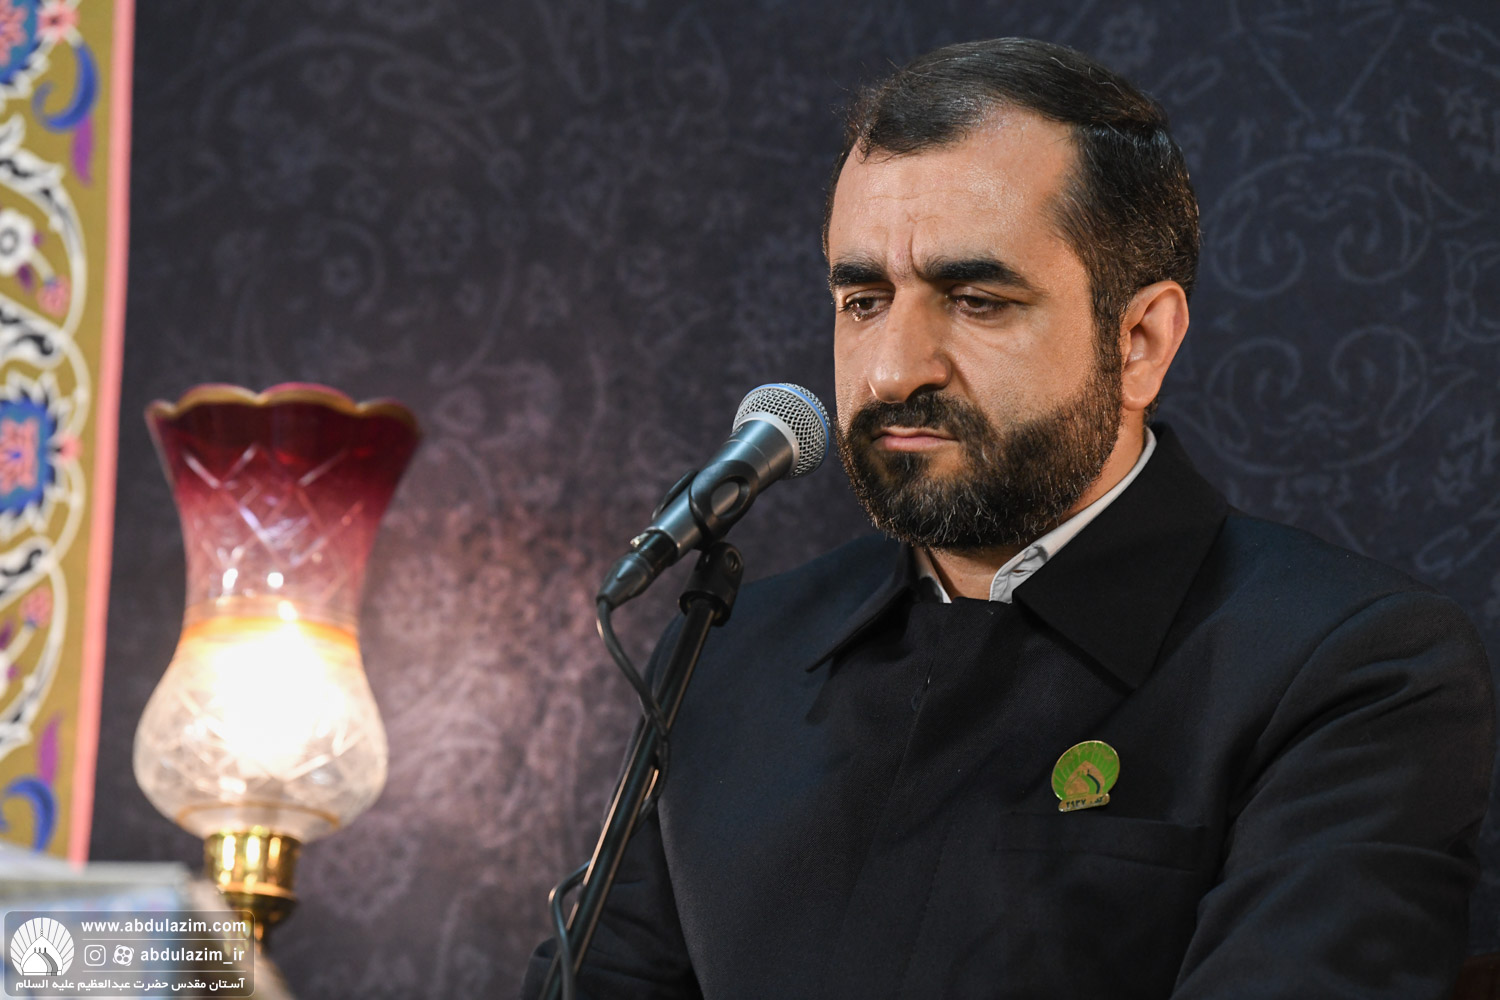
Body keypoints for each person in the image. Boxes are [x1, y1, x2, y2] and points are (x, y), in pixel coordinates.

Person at [523, 37, 1494, 999]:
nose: (893, 369)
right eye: (863, 299)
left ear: (1141, 341)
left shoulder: (1355, 668)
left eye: (977, 299)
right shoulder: (731, 651)